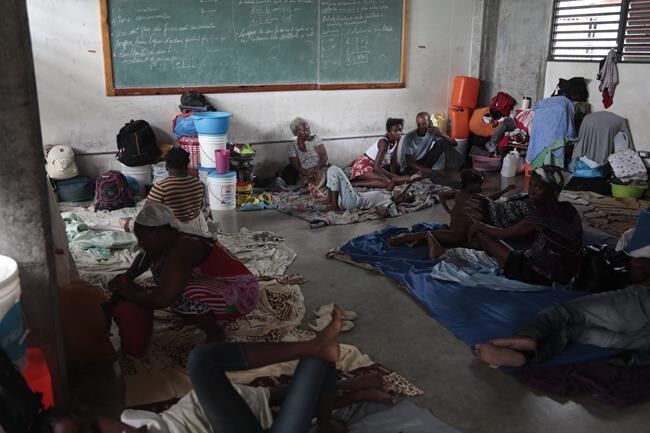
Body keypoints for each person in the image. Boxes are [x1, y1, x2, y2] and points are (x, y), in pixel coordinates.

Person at [29, 309, 397, 433]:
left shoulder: (127, 417)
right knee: (204, 364)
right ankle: (336, 384)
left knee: (207, 365)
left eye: (95, 430)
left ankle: (339, 378)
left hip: (219, 411)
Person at [109, 203, 258, 341]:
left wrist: (129, 294)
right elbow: (145, 255)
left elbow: (163, 299)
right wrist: (128, 275)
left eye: (142, 238)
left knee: (179, 293)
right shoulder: (169, 239)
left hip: (241, 294)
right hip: (225, 286)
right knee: (170, 284)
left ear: (158, 231)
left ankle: (215, 334)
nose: (140, 243)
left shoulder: (185, 246)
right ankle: (198, 315)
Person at [474, 285, 650, 368]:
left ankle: (527, 339)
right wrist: (628, 360)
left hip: (638, 307)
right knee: (571, 332)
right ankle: (525, 355)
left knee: (566, 312)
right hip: (640, 342)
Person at [467, 165, 582, 286]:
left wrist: (480, 226)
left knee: (483, 236)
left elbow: (504, 234)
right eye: (531, 185)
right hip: (568, 272)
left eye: (538, 187)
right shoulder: (568, 207)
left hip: (541, 274)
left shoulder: (542, 213)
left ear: (554, 192)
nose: (531, 191)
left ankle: (501, 264)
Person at [389, 170, 515, 258]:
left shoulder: (463, 193)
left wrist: (448, 210)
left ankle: (422, 239)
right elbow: (491, 198)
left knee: (470, 242)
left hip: (460, 232)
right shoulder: (470, 195)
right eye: (479, 184)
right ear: (471, 185)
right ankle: (405, 237)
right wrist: (448, 210)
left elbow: (441, 195)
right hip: (457, 234)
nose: (481, 186)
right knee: (433, 234)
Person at [322, 166, 418, 215]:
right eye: (403, 194)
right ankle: (330, 201)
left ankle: (334, 205)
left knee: (336, 170)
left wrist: (382, 211)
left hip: (355, 202)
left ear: (403, 203)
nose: (402, 197)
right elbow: (394, 180)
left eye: (405, 198)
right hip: (353, 197)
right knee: (331, 169)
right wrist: (410, 178)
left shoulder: (389, 203)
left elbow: (386, 213)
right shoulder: (388, 193)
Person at [400, 112, 465, 177]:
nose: (421, 127)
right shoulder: (409, 137)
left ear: (430, 123)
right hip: (410, 168)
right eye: (419, 124)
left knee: (442, 142)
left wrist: (440, 133)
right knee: (436, 177)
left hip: (423, 162)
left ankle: (464, 169)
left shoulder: (431, 132)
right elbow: (410, 163)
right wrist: (432, 171)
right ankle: (427, 175)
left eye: (424, 124)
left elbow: (454, 143)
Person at [349, 118, 406, 189]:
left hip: (373, 167)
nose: (399, 133)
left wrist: (395, 176)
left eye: (400, 130)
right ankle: (353, 183)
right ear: (389, 132)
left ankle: (366, 178)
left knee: (393, 175)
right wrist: (393, 177)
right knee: (387, 183)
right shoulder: (384, 143)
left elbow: (393, 161)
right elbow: (377, 167)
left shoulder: (395, 141)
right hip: (363, 166)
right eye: (395, 131)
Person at [286, 117, 329, 186]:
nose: (308, 132)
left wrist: (316, 169)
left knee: (321, 175)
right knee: (307, 180)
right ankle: (314, 188)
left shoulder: (315, 139)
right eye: (303, 130)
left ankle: (316, 189)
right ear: (295, 133)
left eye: (308, 129)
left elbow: (324, 156)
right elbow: (295, 165)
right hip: (305, 172)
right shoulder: (292, 146)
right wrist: (306, 173)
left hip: (320, 168)